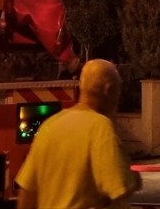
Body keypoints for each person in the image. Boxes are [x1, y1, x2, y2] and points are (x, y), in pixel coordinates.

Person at [15, 59, 141, 209]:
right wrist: (134, 179)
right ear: (109, 89)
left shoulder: (50, 125)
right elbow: (119, 186)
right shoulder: (99, 126)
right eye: (119, 88)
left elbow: (27, 192)